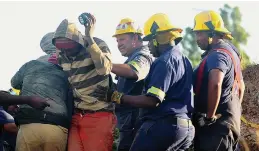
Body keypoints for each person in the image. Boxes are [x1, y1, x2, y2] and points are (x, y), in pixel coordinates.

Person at [93, 13, 195, 151]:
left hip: (163, 126)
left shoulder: (164, 62)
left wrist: (116, 96)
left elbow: (152, 100)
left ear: (156, 39)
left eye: (148, 40)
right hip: (185, 129)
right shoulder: (184, 60)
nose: (148, 46)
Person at [52, 13, 116, 151]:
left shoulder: (97, 44)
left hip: (99, 114)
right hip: (76, 116)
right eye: (61, 48)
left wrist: (90, 39)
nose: (65, 52)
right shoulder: (61, 55)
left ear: (78, 42)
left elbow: (105, 69)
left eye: (68, 48)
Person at [192, 10, 245, 151]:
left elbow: (216, 83)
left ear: (211, 34)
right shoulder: (231, 51)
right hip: (229, 124)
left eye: (199, 33)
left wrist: (209, 117)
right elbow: (241, 86)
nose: (197, 38)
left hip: (216, 129)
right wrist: (234, 111)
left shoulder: (217, 55)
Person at [11, 52, 72, 151]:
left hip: (29, 124)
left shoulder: (31, 65)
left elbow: (14, 83)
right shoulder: (67, 72)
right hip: (57, 126)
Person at [112, 18, 153, 151]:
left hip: (136, 124)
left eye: (122, 39)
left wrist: (105, 65)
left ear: (135, 38)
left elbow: (136, 71)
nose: (119, 44)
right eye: (117, 41)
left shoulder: (142, 56)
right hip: (129, 124)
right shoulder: (131, 58)